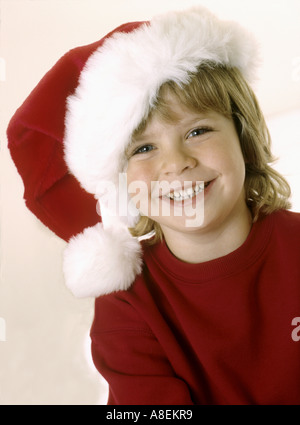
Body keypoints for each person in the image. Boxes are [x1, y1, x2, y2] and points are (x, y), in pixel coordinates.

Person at [7, 6, 300, 405]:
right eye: (144, 148)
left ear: (243, 137)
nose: (176, 162)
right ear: (121, 183)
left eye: (198, 130)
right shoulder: (127, 307)